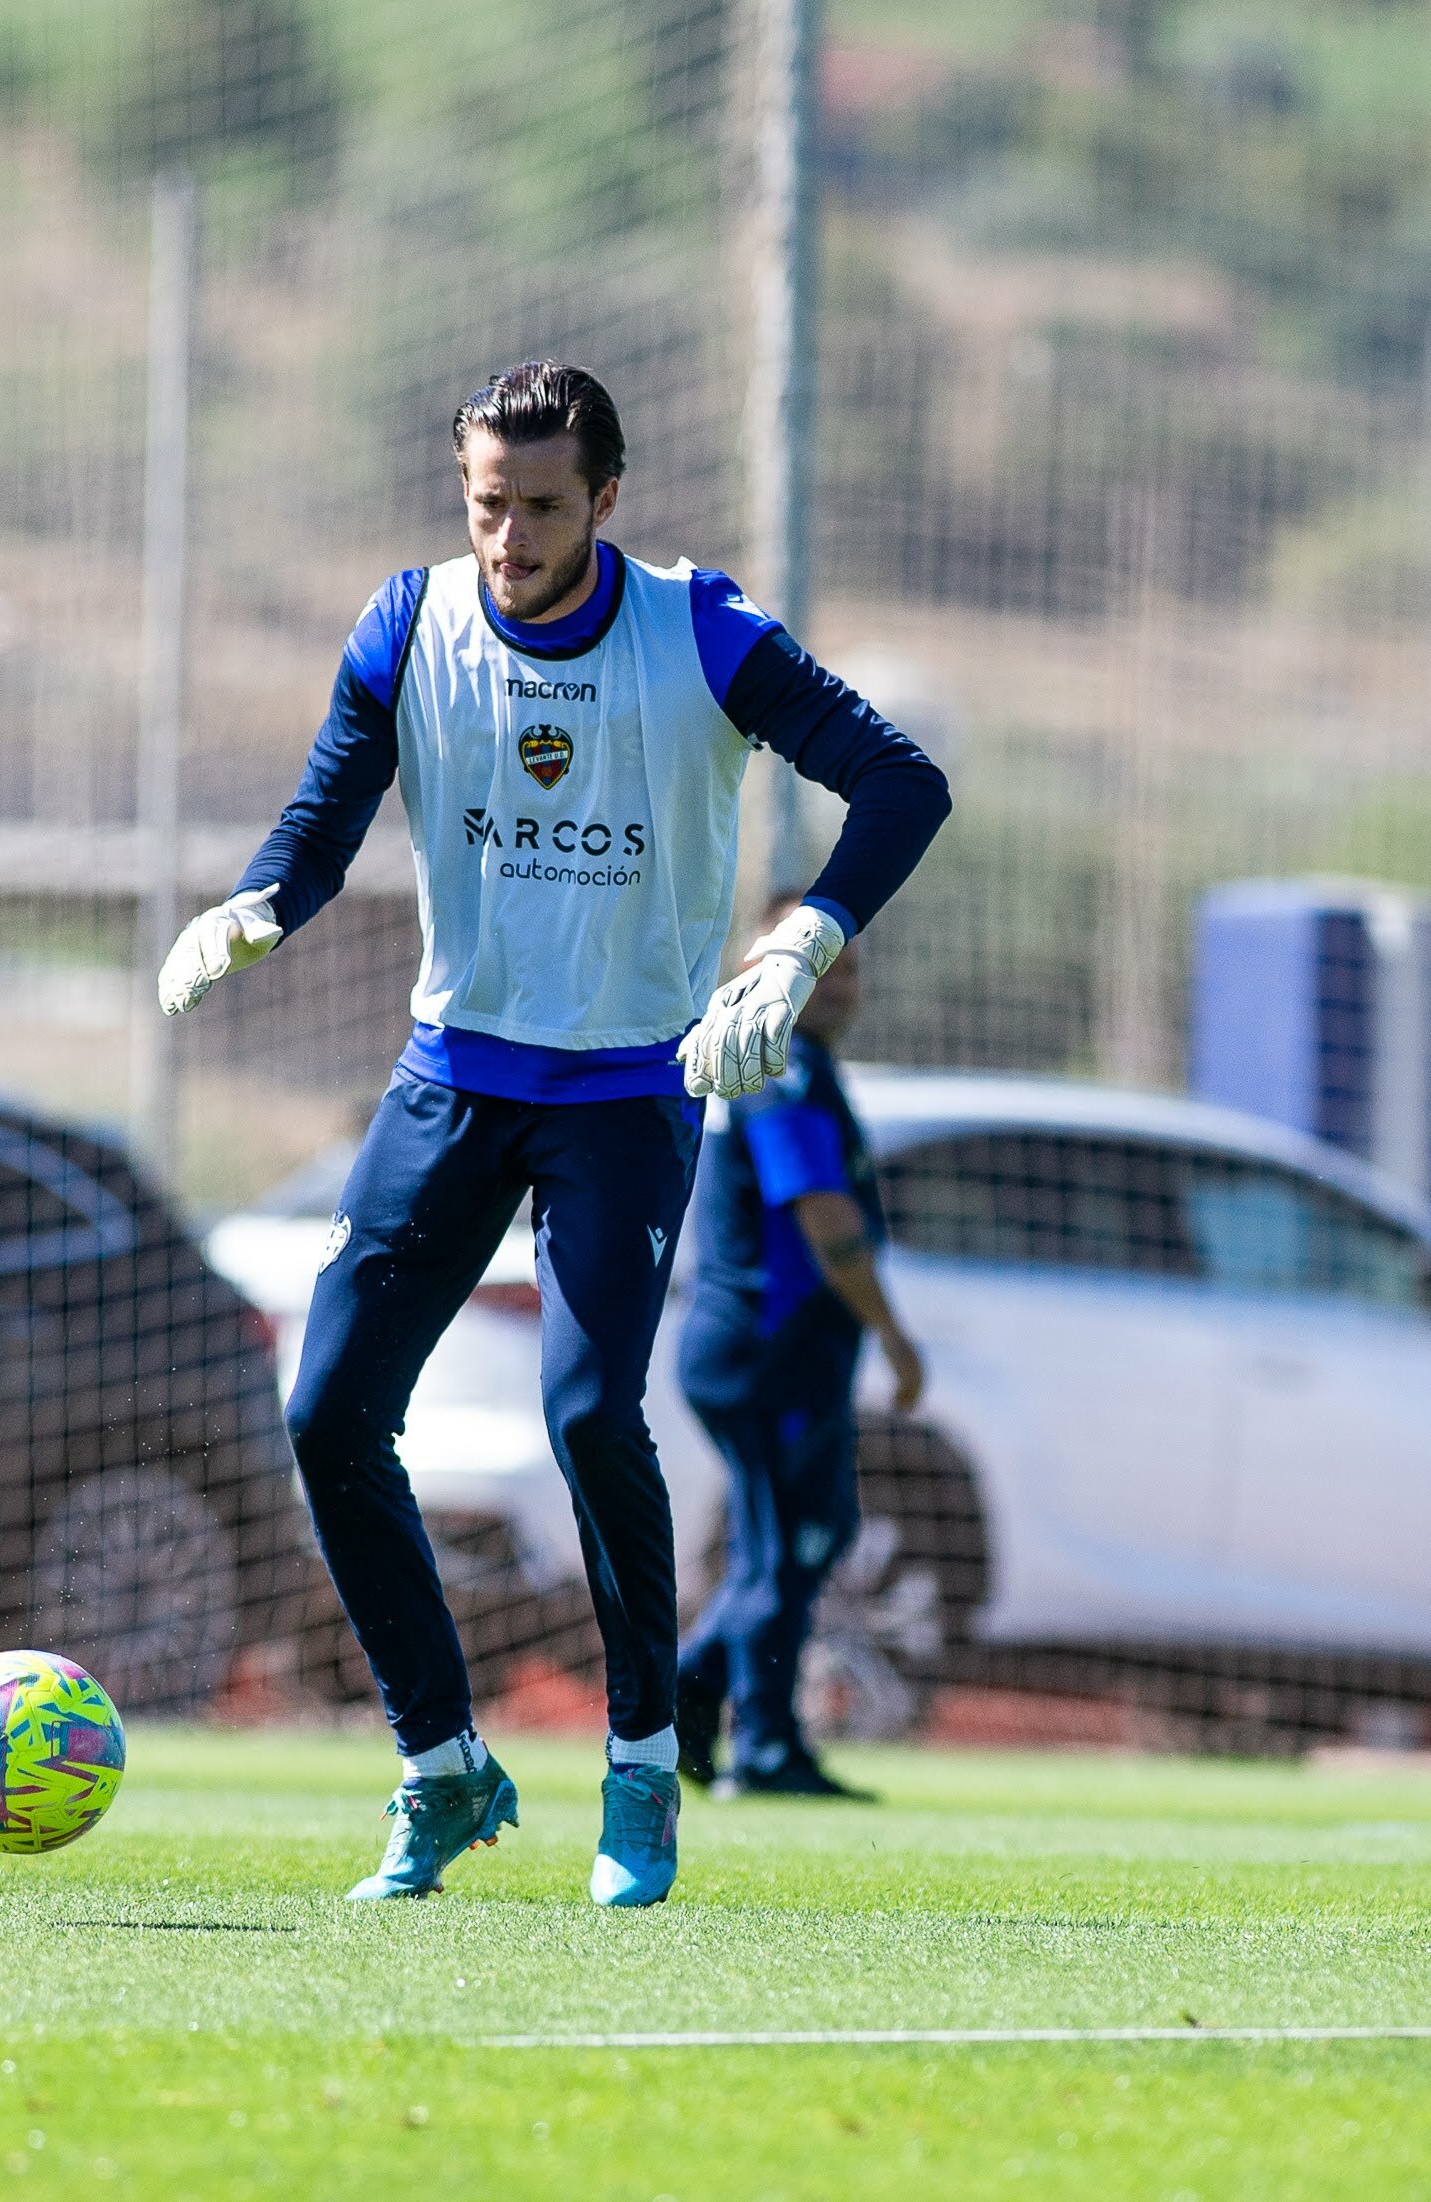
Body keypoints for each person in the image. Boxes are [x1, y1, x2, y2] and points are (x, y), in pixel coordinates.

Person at [157, 360, 950, 1909]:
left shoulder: (699, 633)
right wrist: (260, 900)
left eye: (535, 507)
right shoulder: (407, 626)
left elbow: (900, 785)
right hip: (453, 1074)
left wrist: (794, 945)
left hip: (626, 1088)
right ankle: (442, 1770)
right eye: (482, 505)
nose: (505, 538)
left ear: (606, 498)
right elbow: (326, 816)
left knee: (592, 1415)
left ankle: (645, 1767)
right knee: (325, 1412)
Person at [670, 893, 926, 1800]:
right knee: (788, 1551)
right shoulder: (783, 1067)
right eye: (821, 966)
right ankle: (754, 1738)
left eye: (849, 967)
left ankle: (723, 1706)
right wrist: (893, 1336)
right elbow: (823, 1215)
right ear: (756, 968)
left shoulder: (781, 1060)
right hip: (773, 1350)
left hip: (763, 1349)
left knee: (791, 1545)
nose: (841, 986)